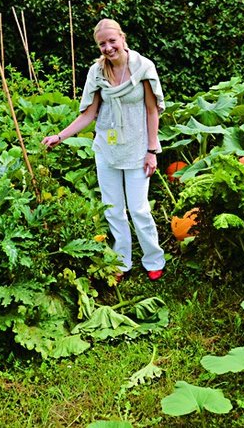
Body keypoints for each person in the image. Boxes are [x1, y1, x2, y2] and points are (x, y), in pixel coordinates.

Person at [42, 19, 166, 281]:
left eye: (112, 41)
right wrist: (60, 136)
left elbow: (152, 111)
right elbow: (89, 114)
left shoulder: (143, 68)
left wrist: (152, 150)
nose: (108, 47)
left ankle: (153, 259)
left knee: (139, 208)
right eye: (102, 44)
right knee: (113, 209)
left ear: (122, 38)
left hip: (137, 148)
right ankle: (121, 263)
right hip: (108, 148)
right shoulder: (96, 72)